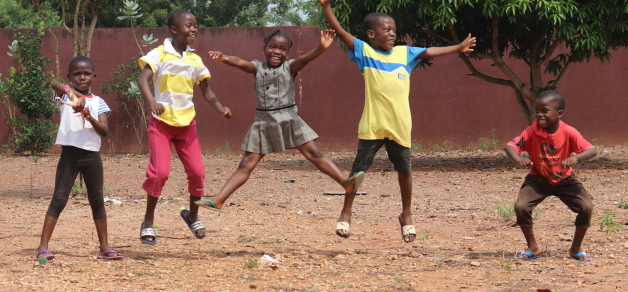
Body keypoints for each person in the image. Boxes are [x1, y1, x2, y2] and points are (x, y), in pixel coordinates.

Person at [318, 0, 476, 242]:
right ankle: (346, 213)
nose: (392, 33)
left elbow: (429, 51)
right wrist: (327, 6)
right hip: (372, 125)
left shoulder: (405, 53)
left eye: (394, 29)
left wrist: (458, 47)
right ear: (371, 34)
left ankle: (407, 215)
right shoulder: (365, 52)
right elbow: (340, 32)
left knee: (405, 171)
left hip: (400, 125)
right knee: (358, 171)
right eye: (387, 29)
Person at [194, 29, 365, 214]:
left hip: (289, 118)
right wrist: (224, 57)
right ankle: (219, 199)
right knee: (246, 165)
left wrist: (321, 47)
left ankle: (345, 183)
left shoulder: (290, 67)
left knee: (315, 154)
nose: (277, 51)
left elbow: (306, 59)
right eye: (272, 47)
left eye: (283, 49)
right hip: (263, 121)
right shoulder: (257, 67)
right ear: (264, 48)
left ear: (288, 53)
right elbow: (239, 62)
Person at [137, 10, 231, 244]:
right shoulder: (159, 54)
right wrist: (152, 102)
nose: (194, 29)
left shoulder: (195, 60)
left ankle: (192, 215)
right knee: (160, 173)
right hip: (161, 123)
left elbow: (206, 91)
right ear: (174, 30)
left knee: (198, 173)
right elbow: (143, 79)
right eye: (189, 25)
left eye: (195, 26)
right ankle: (148, 222)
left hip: (187, 124)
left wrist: (220, 108)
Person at [35, 56, 123, 261]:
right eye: (76, 74)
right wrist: (76, 95)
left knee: (97, 200)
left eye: (86, 73)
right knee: (59, 199)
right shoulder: (64, 97)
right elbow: (54, 84)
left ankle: (104, 247)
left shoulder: (99, 102)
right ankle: (42, 247)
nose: (81, 77)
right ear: (70, 77)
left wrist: (87, 113)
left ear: (94, 76)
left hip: (92, 155)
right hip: (70, 155)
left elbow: (104, 131)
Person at [505, 90, 596, 261]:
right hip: (538, 178)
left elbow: (592, 150)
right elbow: (510, 145)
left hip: (565, 179)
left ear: (559, 113)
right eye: (537, 110)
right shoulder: (532, 130)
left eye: (545, 111)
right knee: (521, 206)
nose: (539, 115)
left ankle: (575, 248)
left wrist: (575, 157)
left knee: (586, 207)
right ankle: (532, 247)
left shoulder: (569, 132)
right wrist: (517, 158)